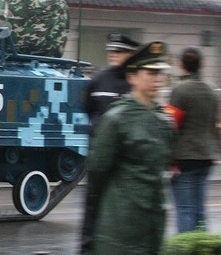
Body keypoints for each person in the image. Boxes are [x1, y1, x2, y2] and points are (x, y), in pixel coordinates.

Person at [86, 41, 177, 255]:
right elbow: (97, 170)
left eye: (160, 73)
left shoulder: (165, 121)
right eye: (150, 73)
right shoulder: (116, 119)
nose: (157, 79)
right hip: (121, 225)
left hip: (153, 222)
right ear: (132, 77)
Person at [80, 33, 139, 254]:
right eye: (112, 51)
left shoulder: (135, 82)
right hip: (99, 156)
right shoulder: (99, 79)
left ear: (131, 55)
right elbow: (88, 109)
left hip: (123, 161)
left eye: (119, 51)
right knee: (92, 207)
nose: (113, 54)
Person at [169, 47, 219, 233]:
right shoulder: (211, 90)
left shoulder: (180, 90)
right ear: (202, 65)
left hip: (185, 158)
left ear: (181, 65)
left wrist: (170, 159)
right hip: (207, 156)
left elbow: (172, 125)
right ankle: (201, 245)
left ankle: (185, 245)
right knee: (200, 210)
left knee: (184, 209)